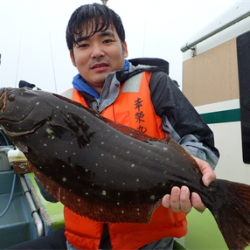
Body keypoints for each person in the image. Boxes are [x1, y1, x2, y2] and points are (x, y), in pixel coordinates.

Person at [5, 3, 219, 250]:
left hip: (148, 244)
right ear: (73, 58)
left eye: (106, 40)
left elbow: (200, 139)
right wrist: (36, 152)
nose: (96, 52)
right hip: (79, 243)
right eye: (83, 45)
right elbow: (51, 195)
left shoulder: (155, 84)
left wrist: (190, 168)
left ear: (124, 47)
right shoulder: (60, 104)